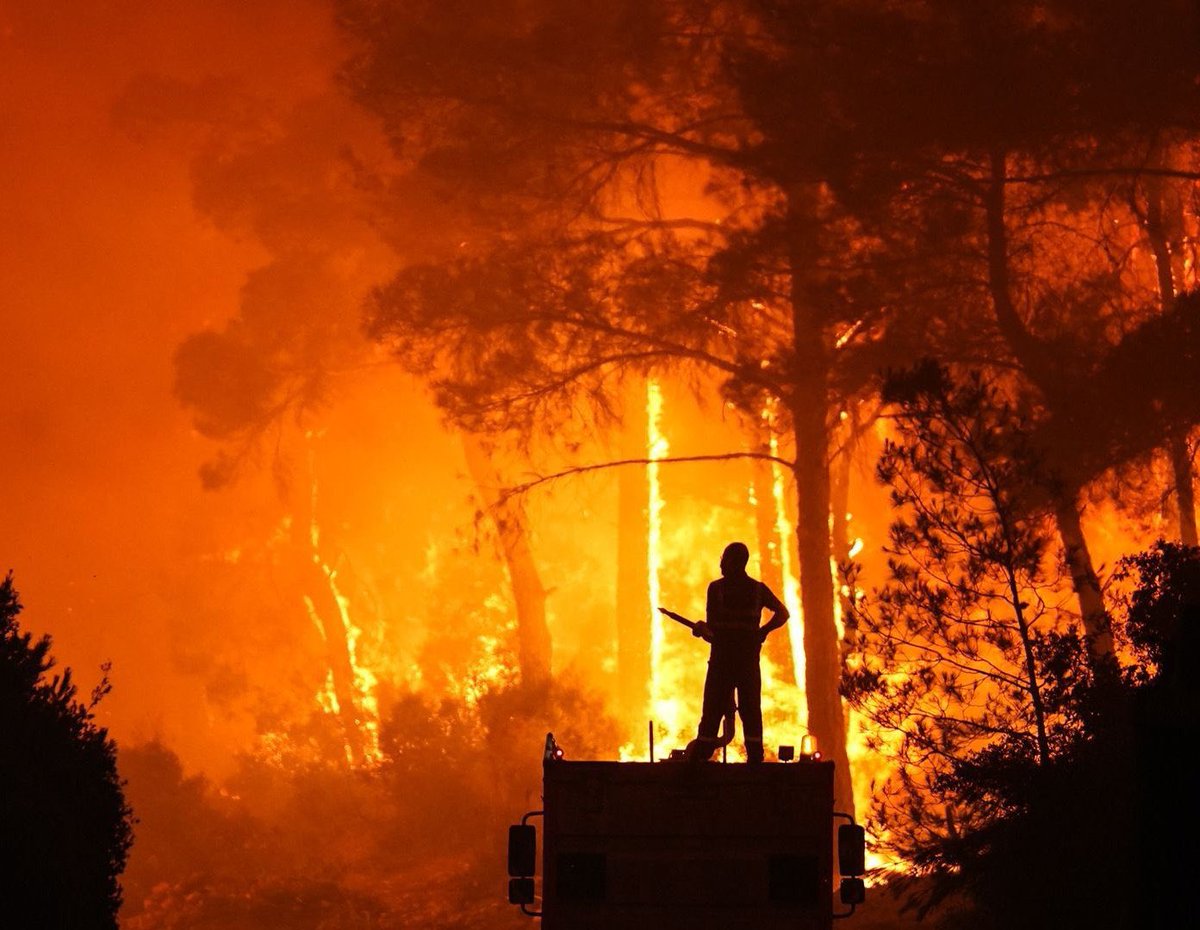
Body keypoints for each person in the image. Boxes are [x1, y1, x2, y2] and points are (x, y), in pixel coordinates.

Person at [686, 542, 789, 763]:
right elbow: (782, 613)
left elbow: (712, 631)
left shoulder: (716, 589)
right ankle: (755, 761)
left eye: (724, 559)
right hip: (747, 663)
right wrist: (763, 631)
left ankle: (700, 760)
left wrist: (702, 629)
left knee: (712, 712)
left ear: (734, 562)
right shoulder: (758, 590)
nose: (721, 564)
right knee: (751, 712)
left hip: (722, 663)